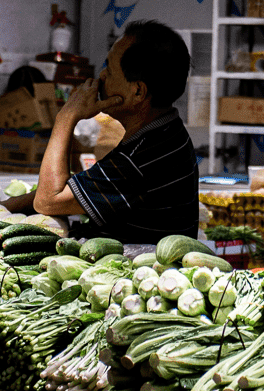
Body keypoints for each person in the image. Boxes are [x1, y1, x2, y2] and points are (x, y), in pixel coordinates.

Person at [33, 21, 199, 243]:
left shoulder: (139, 159)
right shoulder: (168, 130)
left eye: (109, 71)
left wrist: (66, 117)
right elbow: (73, 190)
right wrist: (2, 206)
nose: (101, 76)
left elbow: (47, 200)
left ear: (138, 91)